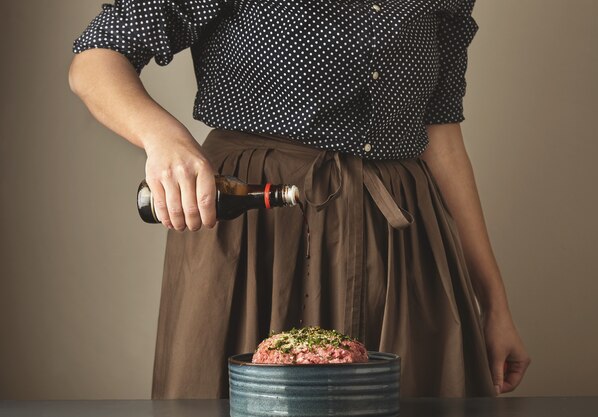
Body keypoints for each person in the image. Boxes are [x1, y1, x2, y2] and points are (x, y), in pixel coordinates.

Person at [69, 0, 530, 399]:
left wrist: (494, 304)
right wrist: (164, 139)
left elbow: (442, 139)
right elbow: (94, 60)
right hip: (255, 232)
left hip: (398, 246)